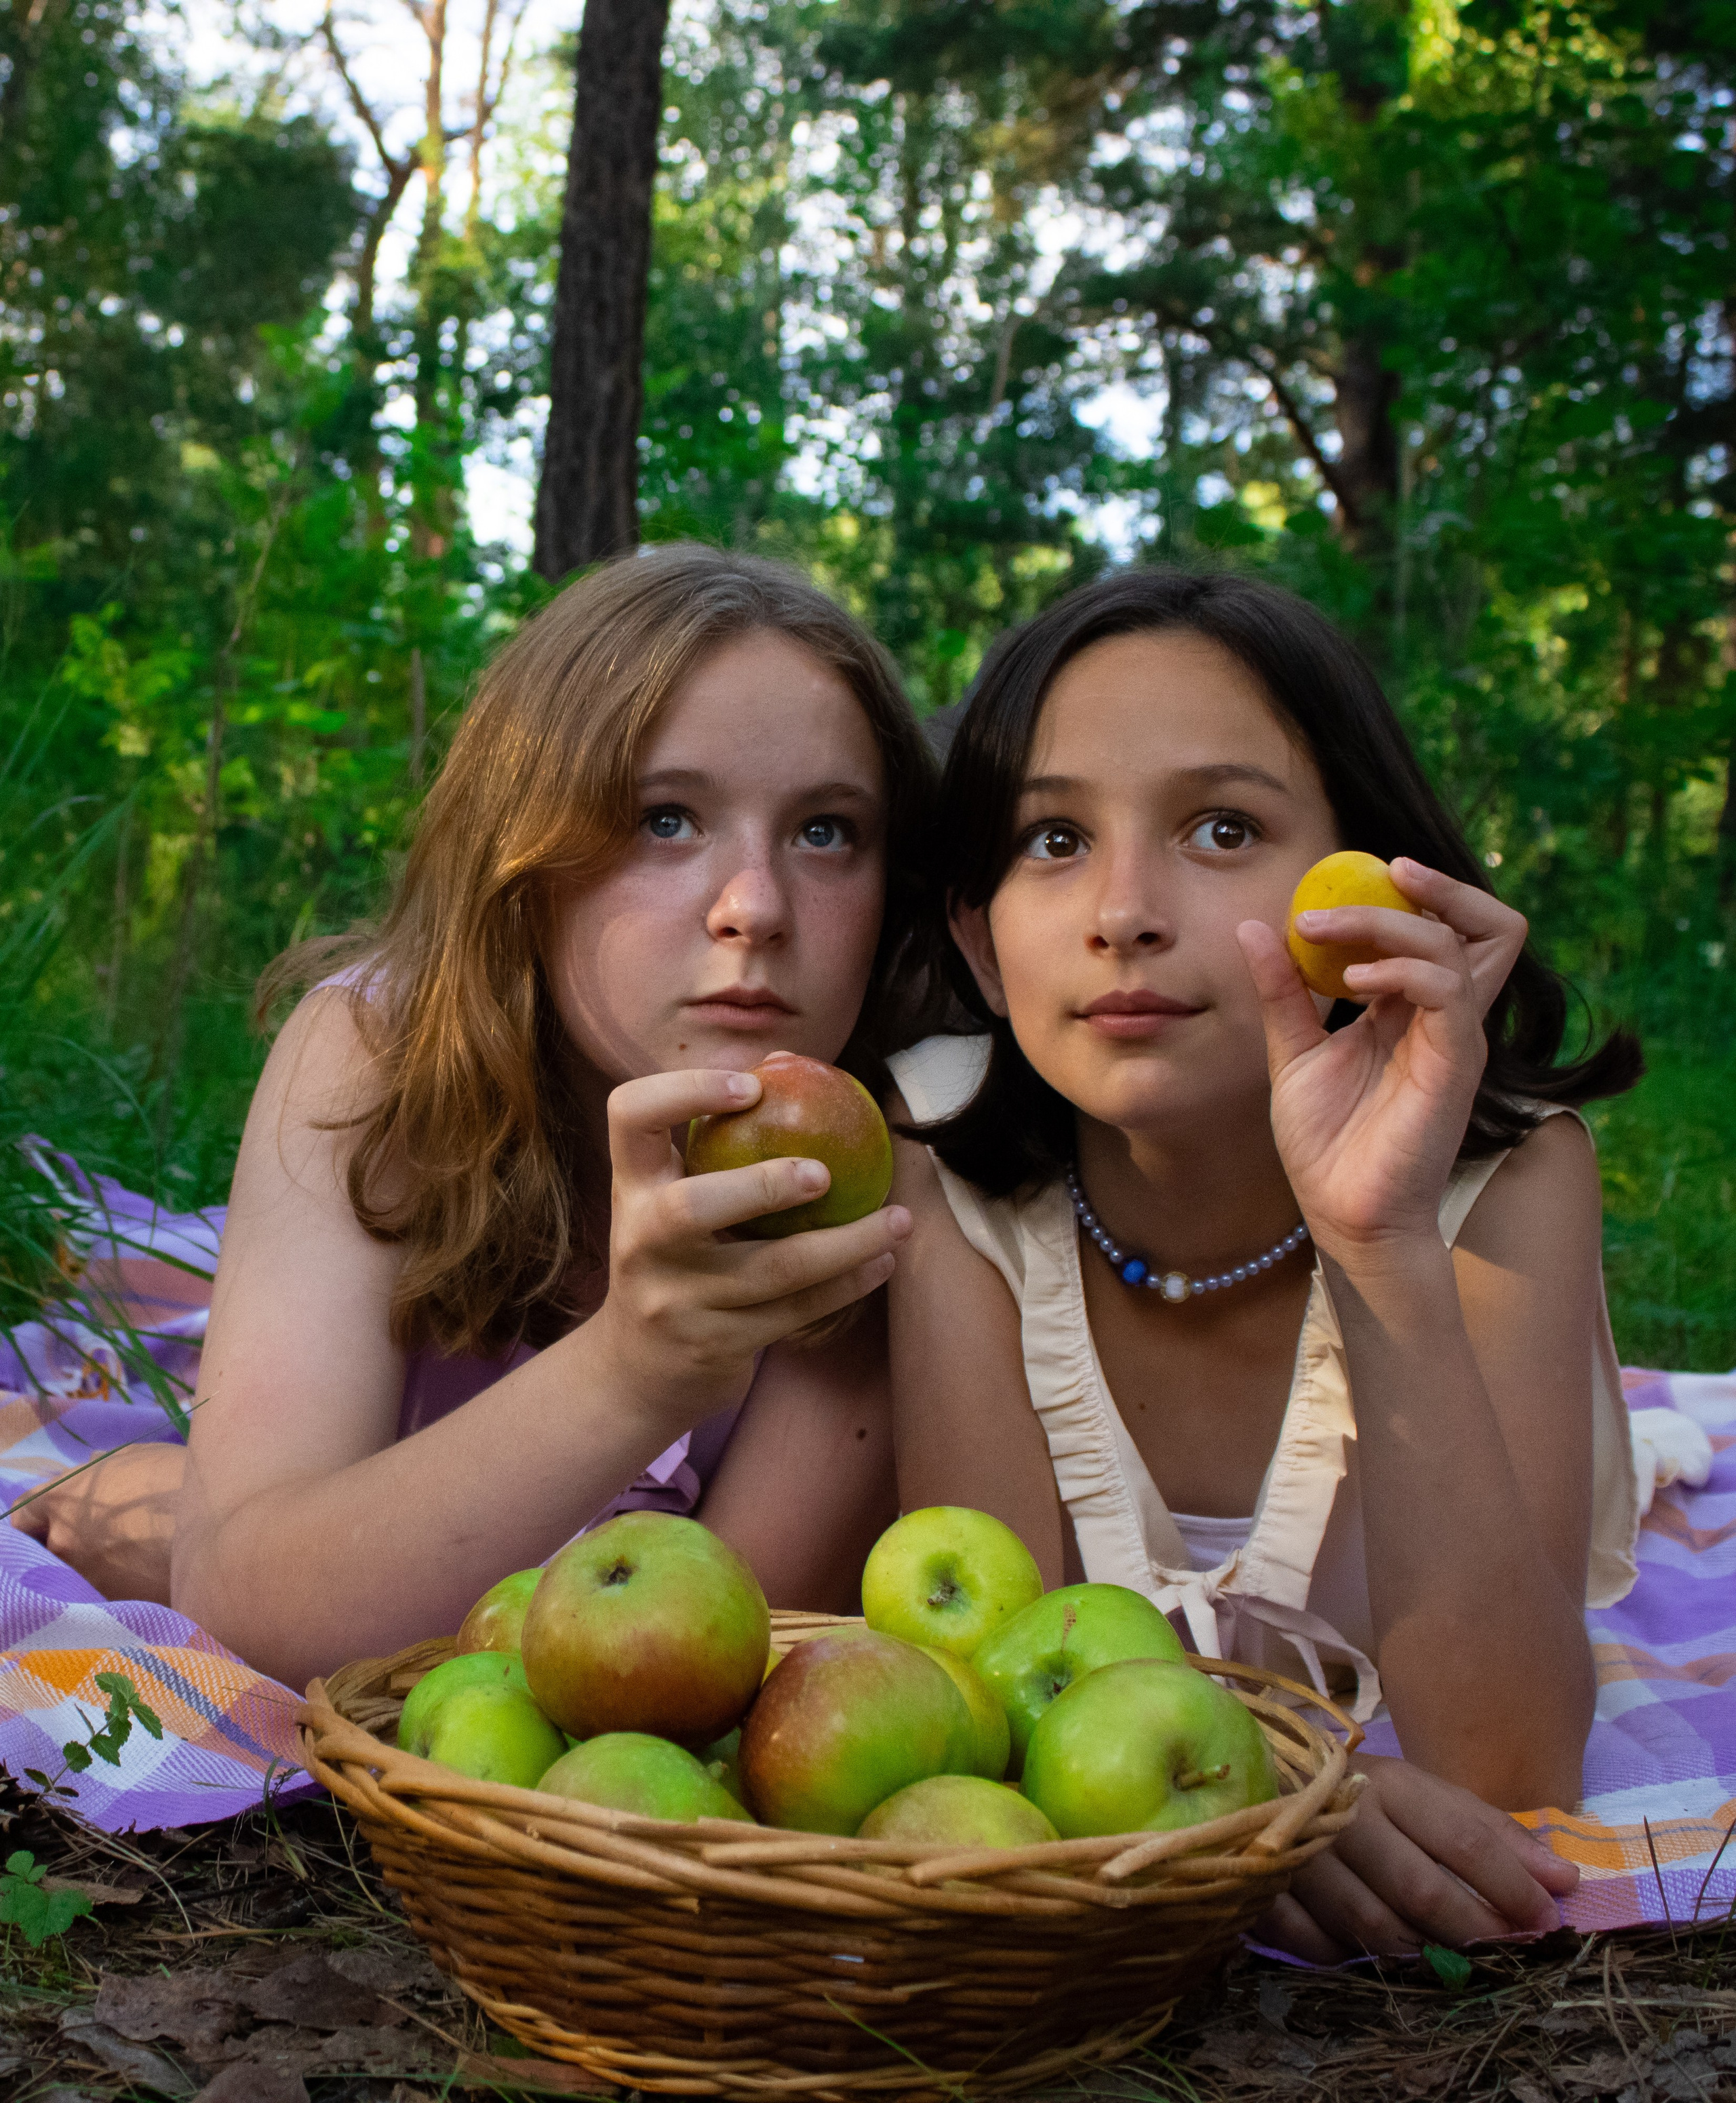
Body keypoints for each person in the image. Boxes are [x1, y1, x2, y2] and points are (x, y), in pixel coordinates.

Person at [882, 568, 1644, 1963]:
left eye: (1221, 828)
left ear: (1363, 894)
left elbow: (1509, 1772)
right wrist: (1275, 1794)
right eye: (1053, 838)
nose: (1123, 910)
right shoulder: (937, 1159)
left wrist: (1379, 1243)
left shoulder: (1509, 1181)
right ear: (978, 943)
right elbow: (990, 1697)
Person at [22, 545, 933, 1685]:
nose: (755, 905)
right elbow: (248, 1606)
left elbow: (700, 1663)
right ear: (523, 851)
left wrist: (227, 1541)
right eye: (664, 818)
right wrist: (630, 1371)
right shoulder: (382, 1058)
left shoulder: (894, 1167)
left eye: (826, 831)